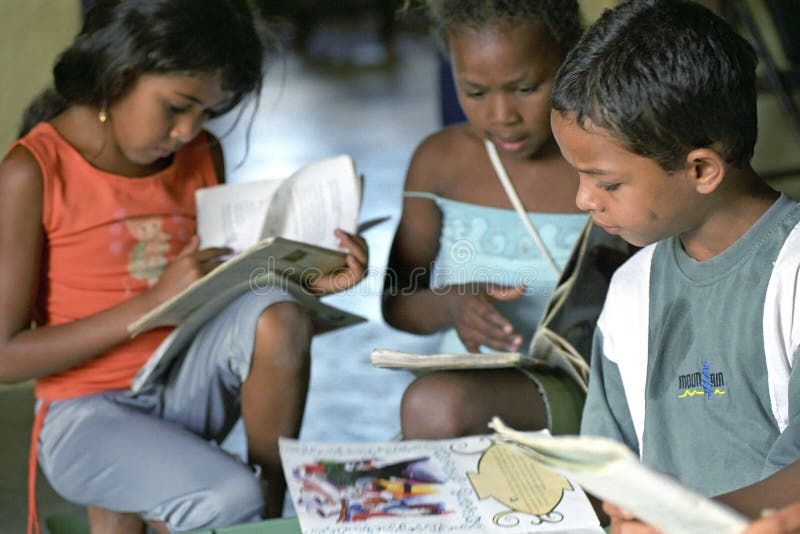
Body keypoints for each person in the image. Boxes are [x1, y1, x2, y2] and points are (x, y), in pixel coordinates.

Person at [0, 1, 367, 532]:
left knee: (280, 313)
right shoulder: (31, 172)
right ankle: (231, 506)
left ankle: (266, 505)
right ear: (119, 68)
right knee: (220, 498)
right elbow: (5, 356)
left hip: (182, 385)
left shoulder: (200, 154)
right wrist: (149, 303)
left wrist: (313, 281)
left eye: (208, 113)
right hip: (85, 414)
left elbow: (221, 291)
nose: (188, 131)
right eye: (177, 106)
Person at [549, 0, 800, 528]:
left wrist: (688, 521)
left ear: (702, 169)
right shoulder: (630, 291)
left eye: (607, 182)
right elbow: (608, 465)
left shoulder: (793, 271)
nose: (583, 200)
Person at [382, 0, 605, 439]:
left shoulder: (605, 160)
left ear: (571, 59)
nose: (502, 116)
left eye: (525, 88)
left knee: (437, 407)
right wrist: (450, 304)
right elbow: (397, 302)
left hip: (579, 388)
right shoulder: (438, 161)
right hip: (462, 384)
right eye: (476, 92)